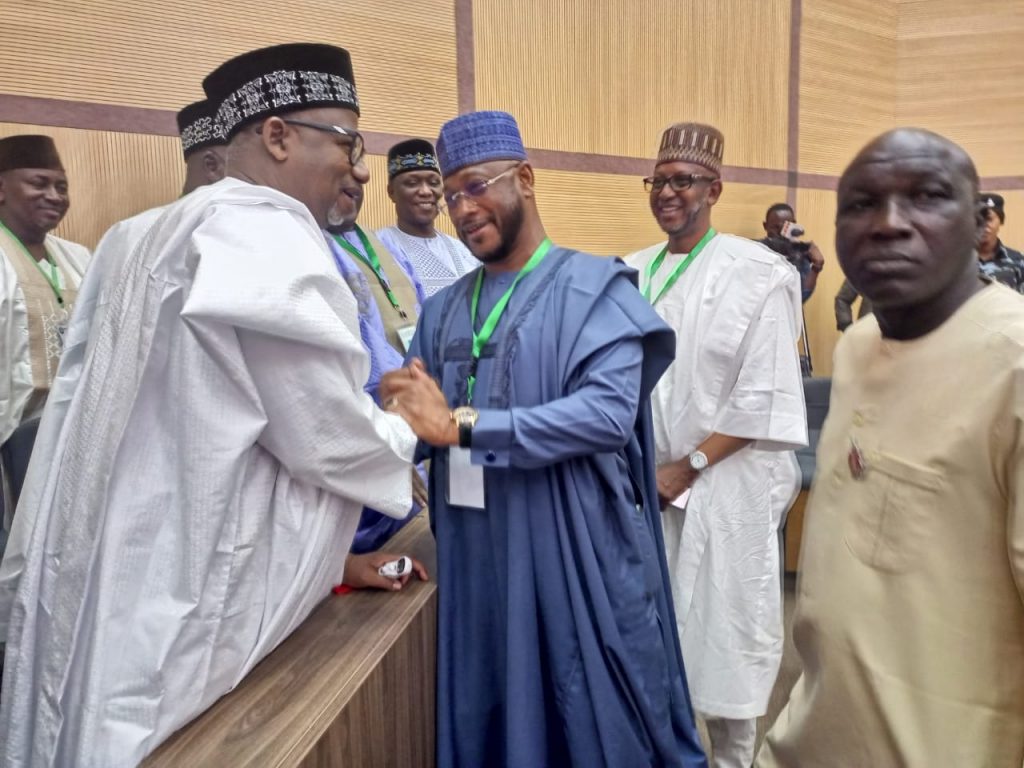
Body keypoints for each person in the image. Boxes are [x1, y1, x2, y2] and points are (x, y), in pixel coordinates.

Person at [0, 43, 425, 767]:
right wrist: (409, 428)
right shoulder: (265, 228)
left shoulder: (139, 233)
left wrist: (330, 561)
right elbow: (323, 435)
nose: (359, 168)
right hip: (184, 582)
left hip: (113, 562)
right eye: (349, 142)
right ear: (279, 135)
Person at [380, 110, 706, 768]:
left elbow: (606, 415)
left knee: (587, 719)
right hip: (475, 558)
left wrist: (461, 426)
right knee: (490, 714)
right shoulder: (444, 310)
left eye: (477, 186)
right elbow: (412, 425)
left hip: (572, 554)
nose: (463, 208)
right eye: (452, 196)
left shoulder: (596, 290)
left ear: (525, 178)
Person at [757, 129, 1024, 768]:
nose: (889, 224)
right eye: (861, 203)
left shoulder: (1013, 363)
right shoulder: (858, 346)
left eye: (928, 197)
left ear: (977, 222)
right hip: (810, 739)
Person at [626, 122, 807, 768]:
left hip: (729, 488)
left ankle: (734, 760)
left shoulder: (760, 274)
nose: (668, 193)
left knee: (728, 636)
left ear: (715, 188)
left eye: (684, 181)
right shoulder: (631, 271)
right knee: (656, 636)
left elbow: (764, 399)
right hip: (647, 487)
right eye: (659, 180)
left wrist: (690, 465)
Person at [324, 184, 427, 553]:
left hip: (416, 417)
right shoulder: (310, 246)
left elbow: (424, 318)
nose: (356, 176)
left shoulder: (385, 244)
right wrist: (387, 453)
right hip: (367, 430)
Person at [0, 135, 89, 451]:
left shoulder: (80, 258)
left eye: (61, 187)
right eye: (39, 184)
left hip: (73, 431)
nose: (54, 196)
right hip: (10, 434)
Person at [326, 177, 423, 354]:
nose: (357, 177)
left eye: (354, 191)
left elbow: (420, 295)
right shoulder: (317, 242)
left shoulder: (381, 240)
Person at [376, 138, 477, 297]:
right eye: (412, 183)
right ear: (392, 192)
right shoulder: (377, 247)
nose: (426, 191)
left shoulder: (465, 250)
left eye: (433, 182)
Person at [760, 202, 824, 302]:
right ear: (765, 226)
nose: (781, 234)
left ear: (794, 225)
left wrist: (816, 267)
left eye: (785, 228)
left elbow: (801, 296)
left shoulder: (799, 252)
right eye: (775, 228)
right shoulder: (756, 250)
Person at [976, 192, 1024, 291]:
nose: (984, 225)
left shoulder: (1019, 261)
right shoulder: (958, 262)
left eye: (989, 219)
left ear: (1001, 221)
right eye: (979, 219)